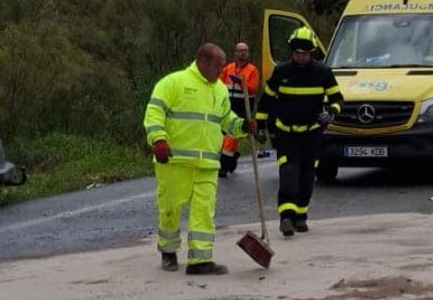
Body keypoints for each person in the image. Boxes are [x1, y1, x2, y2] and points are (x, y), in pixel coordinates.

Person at [143, 43, 256, 275]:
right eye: (218, 65)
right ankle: (168, 251)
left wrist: (243, 126)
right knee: (170, 209)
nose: (222, 70)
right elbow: (154, 113)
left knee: (203, 212)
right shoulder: (173, 83)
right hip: (175, 162)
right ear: (203, 62)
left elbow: (226, 120)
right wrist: (158, 140)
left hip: (207, 165)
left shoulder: (220, 90)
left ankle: (200, 261)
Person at [255, 26, 342, 238]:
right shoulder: (282, 72)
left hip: (312, 134)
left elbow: (337, 99)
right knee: (288, 173)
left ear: (311, 53)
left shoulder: (322, 72)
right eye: (297, 54)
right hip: (286, 133)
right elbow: (266, 100)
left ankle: (301, 216)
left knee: (307, 174)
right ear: (291, 52)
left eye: (304, 54)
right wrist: (259, 125)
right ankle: (286, 216)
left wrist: (331, 111)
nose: (300, 58)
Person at [218, 41, 260, 177]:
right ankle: (231, 159)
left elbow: (253, 88)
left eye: (245, 50)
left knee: (232, 136)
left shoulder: (252, 70)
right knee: (223, 136)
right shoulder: (228, 68)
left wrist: (242, 83)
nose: (243, 53)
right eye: (240, 50)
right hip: (228, 105)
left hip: (243, 107)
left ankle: (224, 166)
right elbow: (218, 83)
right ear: (235, 53)